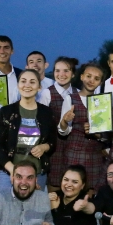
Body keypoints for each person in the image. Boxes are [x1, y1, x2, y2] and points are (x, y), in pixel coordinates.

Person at [0, 69, 56, 191]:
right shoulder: (6, 112)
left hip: (37, 174)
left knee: (35, 204)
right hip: (9, 173)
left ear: (39, 87)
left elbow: (53, 142)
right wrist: (13, 170)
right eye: (23, 81)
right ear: (18, 85)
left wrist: (44, 147)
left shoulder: (46, 113)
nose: (27, 85)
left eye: (32, 82)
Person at [60, 63, 107, 190]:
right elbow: (63, 131)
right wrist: (65, 121)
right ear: (81, 77)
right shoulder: (70, 99)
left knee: (92, 192)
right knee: (72, 190)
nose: (91, 80)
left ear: (101, 82)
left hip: (94, 155)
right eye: (88, 76)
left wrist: (96, 133)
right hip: (74, 153)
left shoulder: (103, 102)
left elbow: (105, 135)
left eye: (96, 78)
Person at [40, 56, 78, 192]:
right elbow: (41, 121)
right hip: (54, 147)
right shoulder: (47, 93)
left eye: (66, 71)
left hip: (73, 146)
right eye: (57, 71)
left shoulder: (78, 93)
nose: (61, 74)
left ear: (73, 74)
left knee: (72, 183)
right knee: (54, 185)